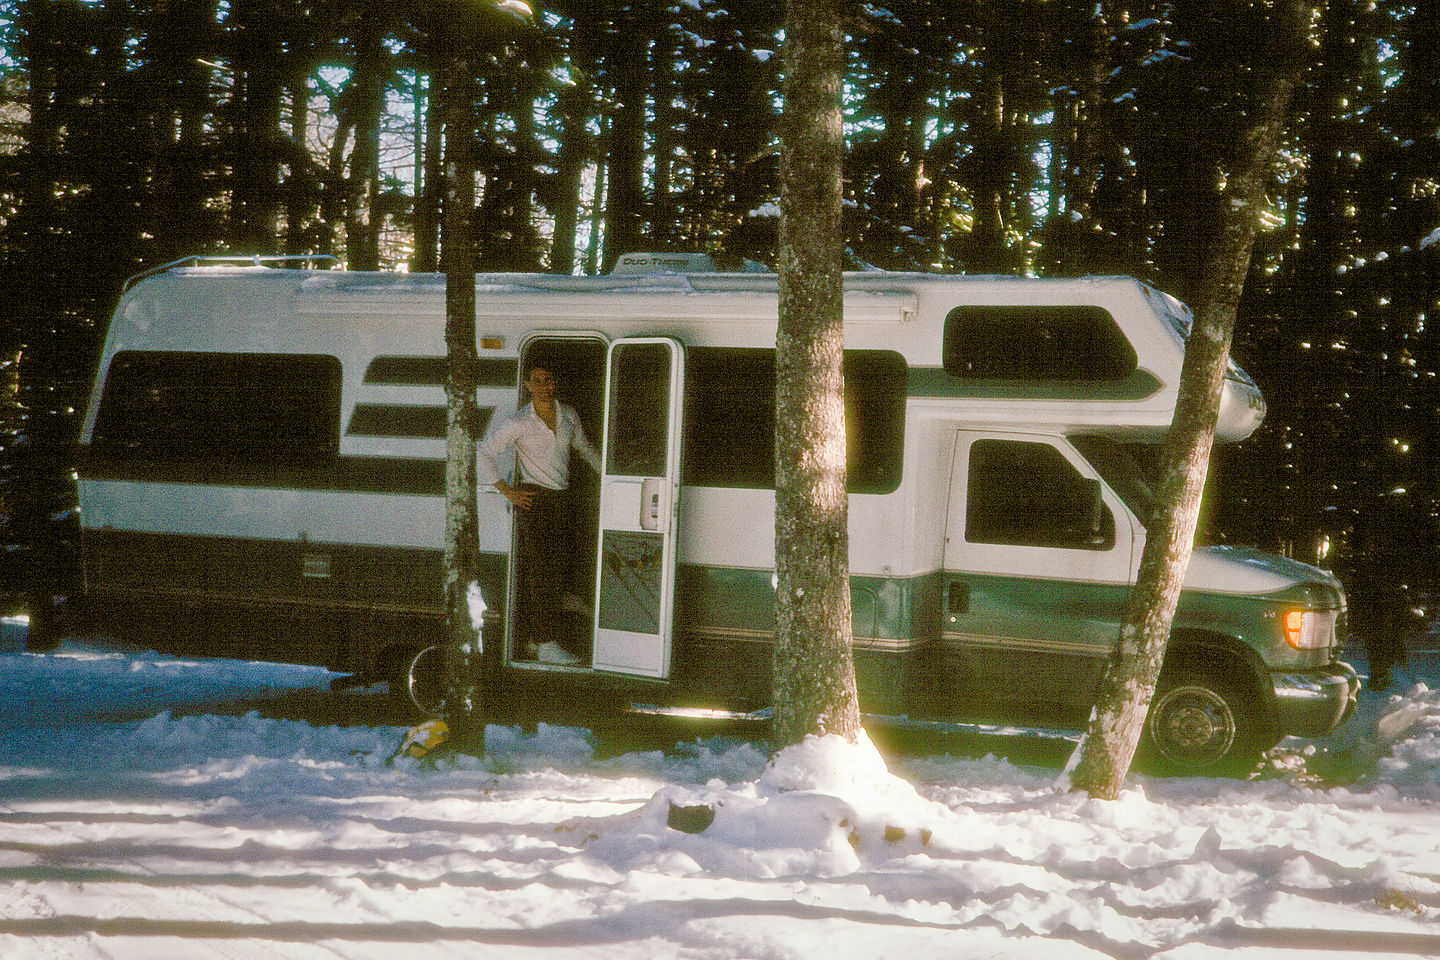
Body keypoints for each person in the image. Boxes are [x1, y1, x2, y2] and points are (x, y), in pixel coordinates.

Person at [476, 360, 602, 665]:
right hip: (536, 501)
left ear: (554, 383)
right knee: (541, 575)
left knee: (559, 568)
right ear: (529, 386)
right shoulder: (520, 422)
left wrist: (611, 478)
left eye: (548, 379)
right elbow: (483, 453)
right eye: (537, 380)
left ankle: (536, 639)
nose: (544, 385)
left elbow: (584, 449)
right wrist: (507, 491)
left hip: (562, 498)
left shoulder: (568, 414)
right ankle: (545, 643)